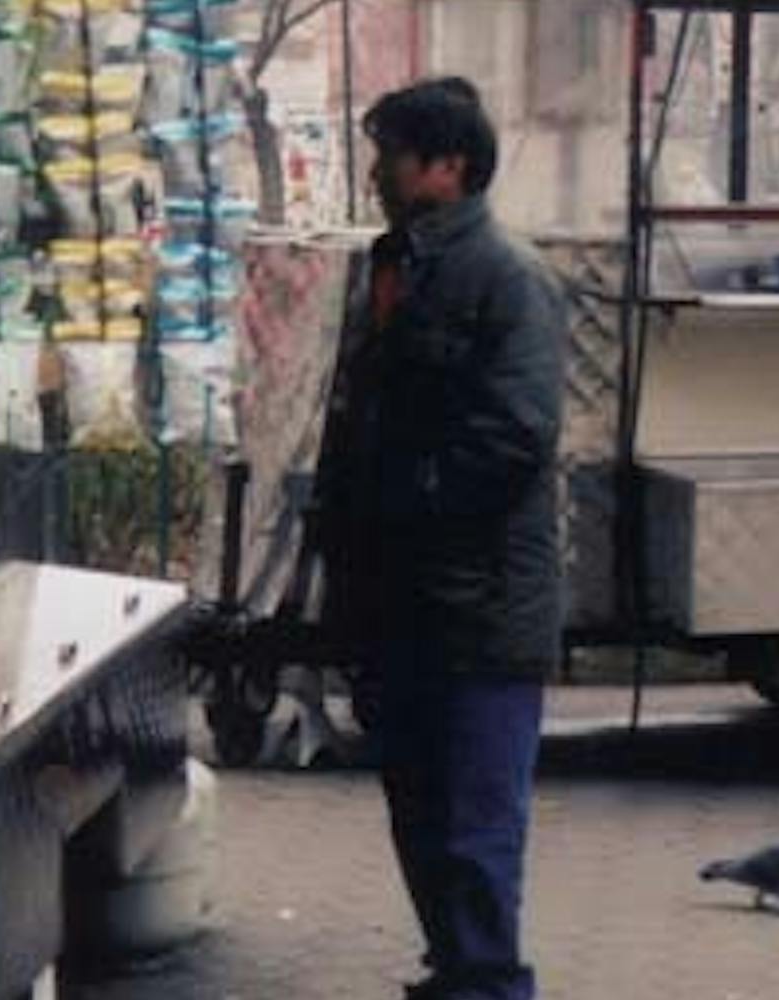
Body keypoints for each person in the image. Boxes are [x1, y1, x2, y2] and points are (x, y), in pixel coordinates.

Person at [316, 77, 567, 1000]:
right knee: (418, 811)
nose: (377, 171)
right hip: (402, 602)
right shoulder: (395, 266)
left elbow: (515, 437)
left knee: (474, 825)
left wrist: (403, 502)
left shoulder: (507, 277)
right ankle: (456, 972)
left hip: (481, 608)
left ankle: (490, 983)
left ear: (449, 166)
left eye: (393, 154)